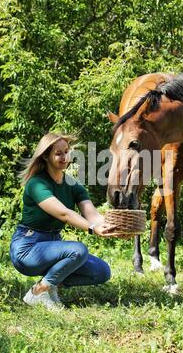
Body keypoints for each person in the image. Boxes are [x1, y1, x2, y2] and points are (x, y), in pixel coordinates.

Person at [9, 132, 116, 311]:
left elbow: (93, 215)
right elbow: (64, 214)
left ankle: (49, 285)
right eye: (58, 153)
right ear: (45, 156)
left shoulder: (73, 185)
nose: (64, 157)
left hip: (53, 247)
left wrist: (109, 226)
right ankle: (39, 291)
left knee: (102, 272)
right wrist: (92, 229)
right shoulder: (36, 184)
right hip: (28, 249)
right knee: (78, 250)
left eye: (66, 151)